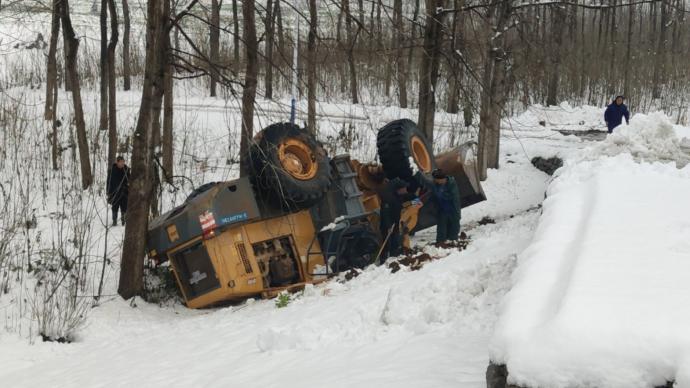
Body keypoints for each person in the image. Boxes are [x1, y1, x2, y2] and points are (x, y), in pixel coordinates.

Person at [416, 169, 461, 244]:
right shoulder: (435, 184)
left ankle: (453, 244)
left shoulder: (452, 184)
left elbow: (452, 196)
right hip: (442, 211)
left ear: (443, 178)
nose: (437, 182)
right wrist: (416, 172)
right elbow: (425, 183)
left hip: (453, 210)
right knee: (441, 231)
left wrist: (440, 193)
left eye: (438, 180)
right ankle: (440, 244)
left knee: (454, 229)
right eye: (436, 180)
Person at [378, 177, 418, 261]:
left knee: (396, 241)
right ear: (398, 190)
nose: (406, 190)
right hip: (387, 224)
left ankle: (395, 257)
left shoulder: (402, 195)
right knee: (387, 243)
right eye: (404, 188)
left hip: (396, 222)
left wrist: (414, 200)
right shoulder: (388, 198)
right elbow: (385, 214)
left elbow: (415, 200)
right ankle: (383, 259)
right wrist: (389, 226)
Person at [107, 156, 130, 226]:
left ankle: (124, 221)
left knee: (124, 207)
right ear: (117, 162)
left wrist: (128, 186)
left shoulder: (126, 170)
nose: (122, 163)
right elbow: (109, 182)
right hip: (115, 192)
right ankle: (114, 221)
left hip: (124, 192)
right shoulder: (112, 171)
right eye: (121, 162)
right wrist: (108, 192)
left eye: (123, 162)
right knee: (115, 207)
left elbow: (129, 180)